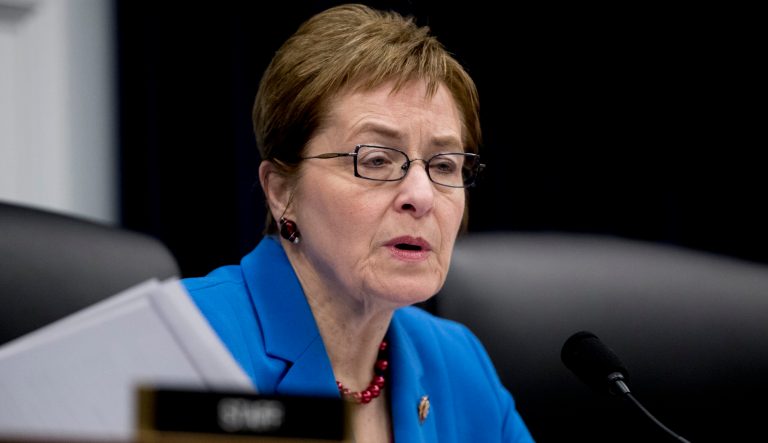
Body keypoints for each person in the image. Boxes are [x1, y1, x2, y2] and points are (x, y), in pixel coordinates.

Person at [183, 4, 534, 442]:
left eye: (444, 165)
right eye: (376, 160)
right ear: (280, 192)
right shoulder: (186, 342)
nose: (422, 197)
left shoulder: (458, 363)